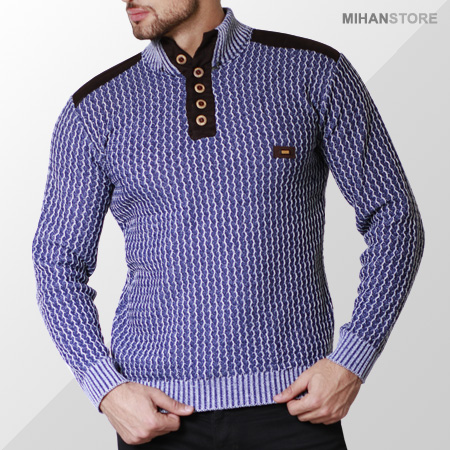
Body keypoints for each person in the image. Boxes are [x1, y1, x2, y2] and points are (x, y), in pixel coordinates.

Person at [31, 1, 425, 448]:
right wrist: (104, 386)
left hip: (294, 409)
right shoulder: (94, 108)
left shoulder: (314, 71)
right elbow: (57, 261)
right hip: (159, 417)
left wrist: (354, 358)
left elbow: (394, 217)